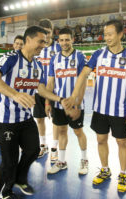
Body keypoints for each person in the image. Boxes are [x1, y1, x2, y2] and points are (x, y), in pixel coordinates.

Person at [0, 25, 69, 199]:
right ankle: (3, 190)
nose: (44, 45)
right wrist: (15, 94)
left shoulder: (39, 65)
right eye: (41, 41)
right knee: (9, 160)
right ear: (28, 40)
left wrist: (60, 99)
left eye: (45, 42)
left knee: (33, 150)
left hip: (25, 117)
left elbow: (40, 88)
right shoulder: (10, 58)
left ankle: (19, 178)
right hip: (6, 119)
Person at [63, 19, 126, 192]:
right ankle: (105, 170)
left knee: (121, 142)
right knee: (100, 139)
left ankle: (122, 174)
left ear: (121, 34)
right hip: (100, 108)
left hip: (120, 110)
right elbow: (83, 74)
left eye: (110, 34)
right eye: (105, 34)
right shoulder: (99, 54)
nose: (107, 38)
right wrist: (74, 97)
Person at [45, 28, 89, 175]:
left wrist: (77, 104)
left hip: (75, 104)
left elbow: (83, 82)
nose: (64, 43)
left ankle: (84, 160)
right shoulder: (54, 58)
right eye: (62, 40)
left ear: (72, 40)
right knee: (62, 131)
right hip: (58, 104)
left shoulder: (80, 56)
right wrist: (47, 102)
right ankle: (62, 161)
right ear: (58, 41)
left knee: (78, 132)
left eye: (67, 39)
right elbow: (50, 83)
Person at [35, 19, 61, 161]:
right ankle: (43, 145)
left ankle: (55, 148)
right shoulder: (37, 48)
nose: (46, 34)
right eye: (43, 32)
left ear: (52, 31)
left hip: (55, 91)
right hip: (39, 89)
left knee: (56, 121)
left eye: (48, 32)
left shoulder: (58, 48)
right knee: (39, 119)